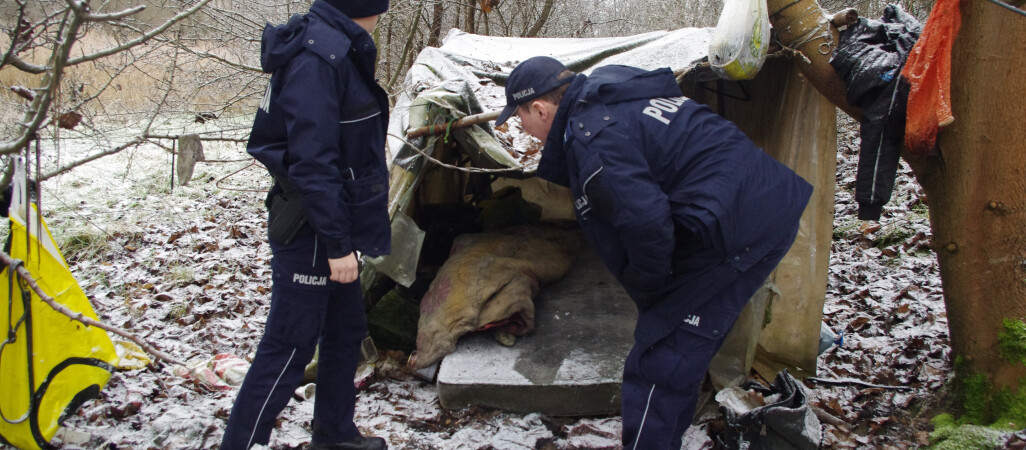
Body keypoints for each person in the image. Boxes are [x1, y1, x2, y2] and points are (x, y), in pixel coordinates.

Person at [494, 56, 813, 449]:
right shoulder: (612, 90)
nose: (523, 130)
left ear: (540, 108)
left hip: (734, 229)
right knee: (682, 350)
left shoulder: (593, 137)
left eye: (520, 118)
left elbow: (646, 223)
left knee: (658, 362)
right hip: (766, 202)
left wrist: (650, 287)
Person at [221, 1, 392, 449]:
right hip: (313, 228)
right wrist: (337, 245)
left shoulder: (333, 44)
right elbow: (312, 163)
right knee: (288, 349)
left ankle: (334, 435)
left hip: (331, 220)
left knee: (345, 332)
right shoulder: (318, 59)